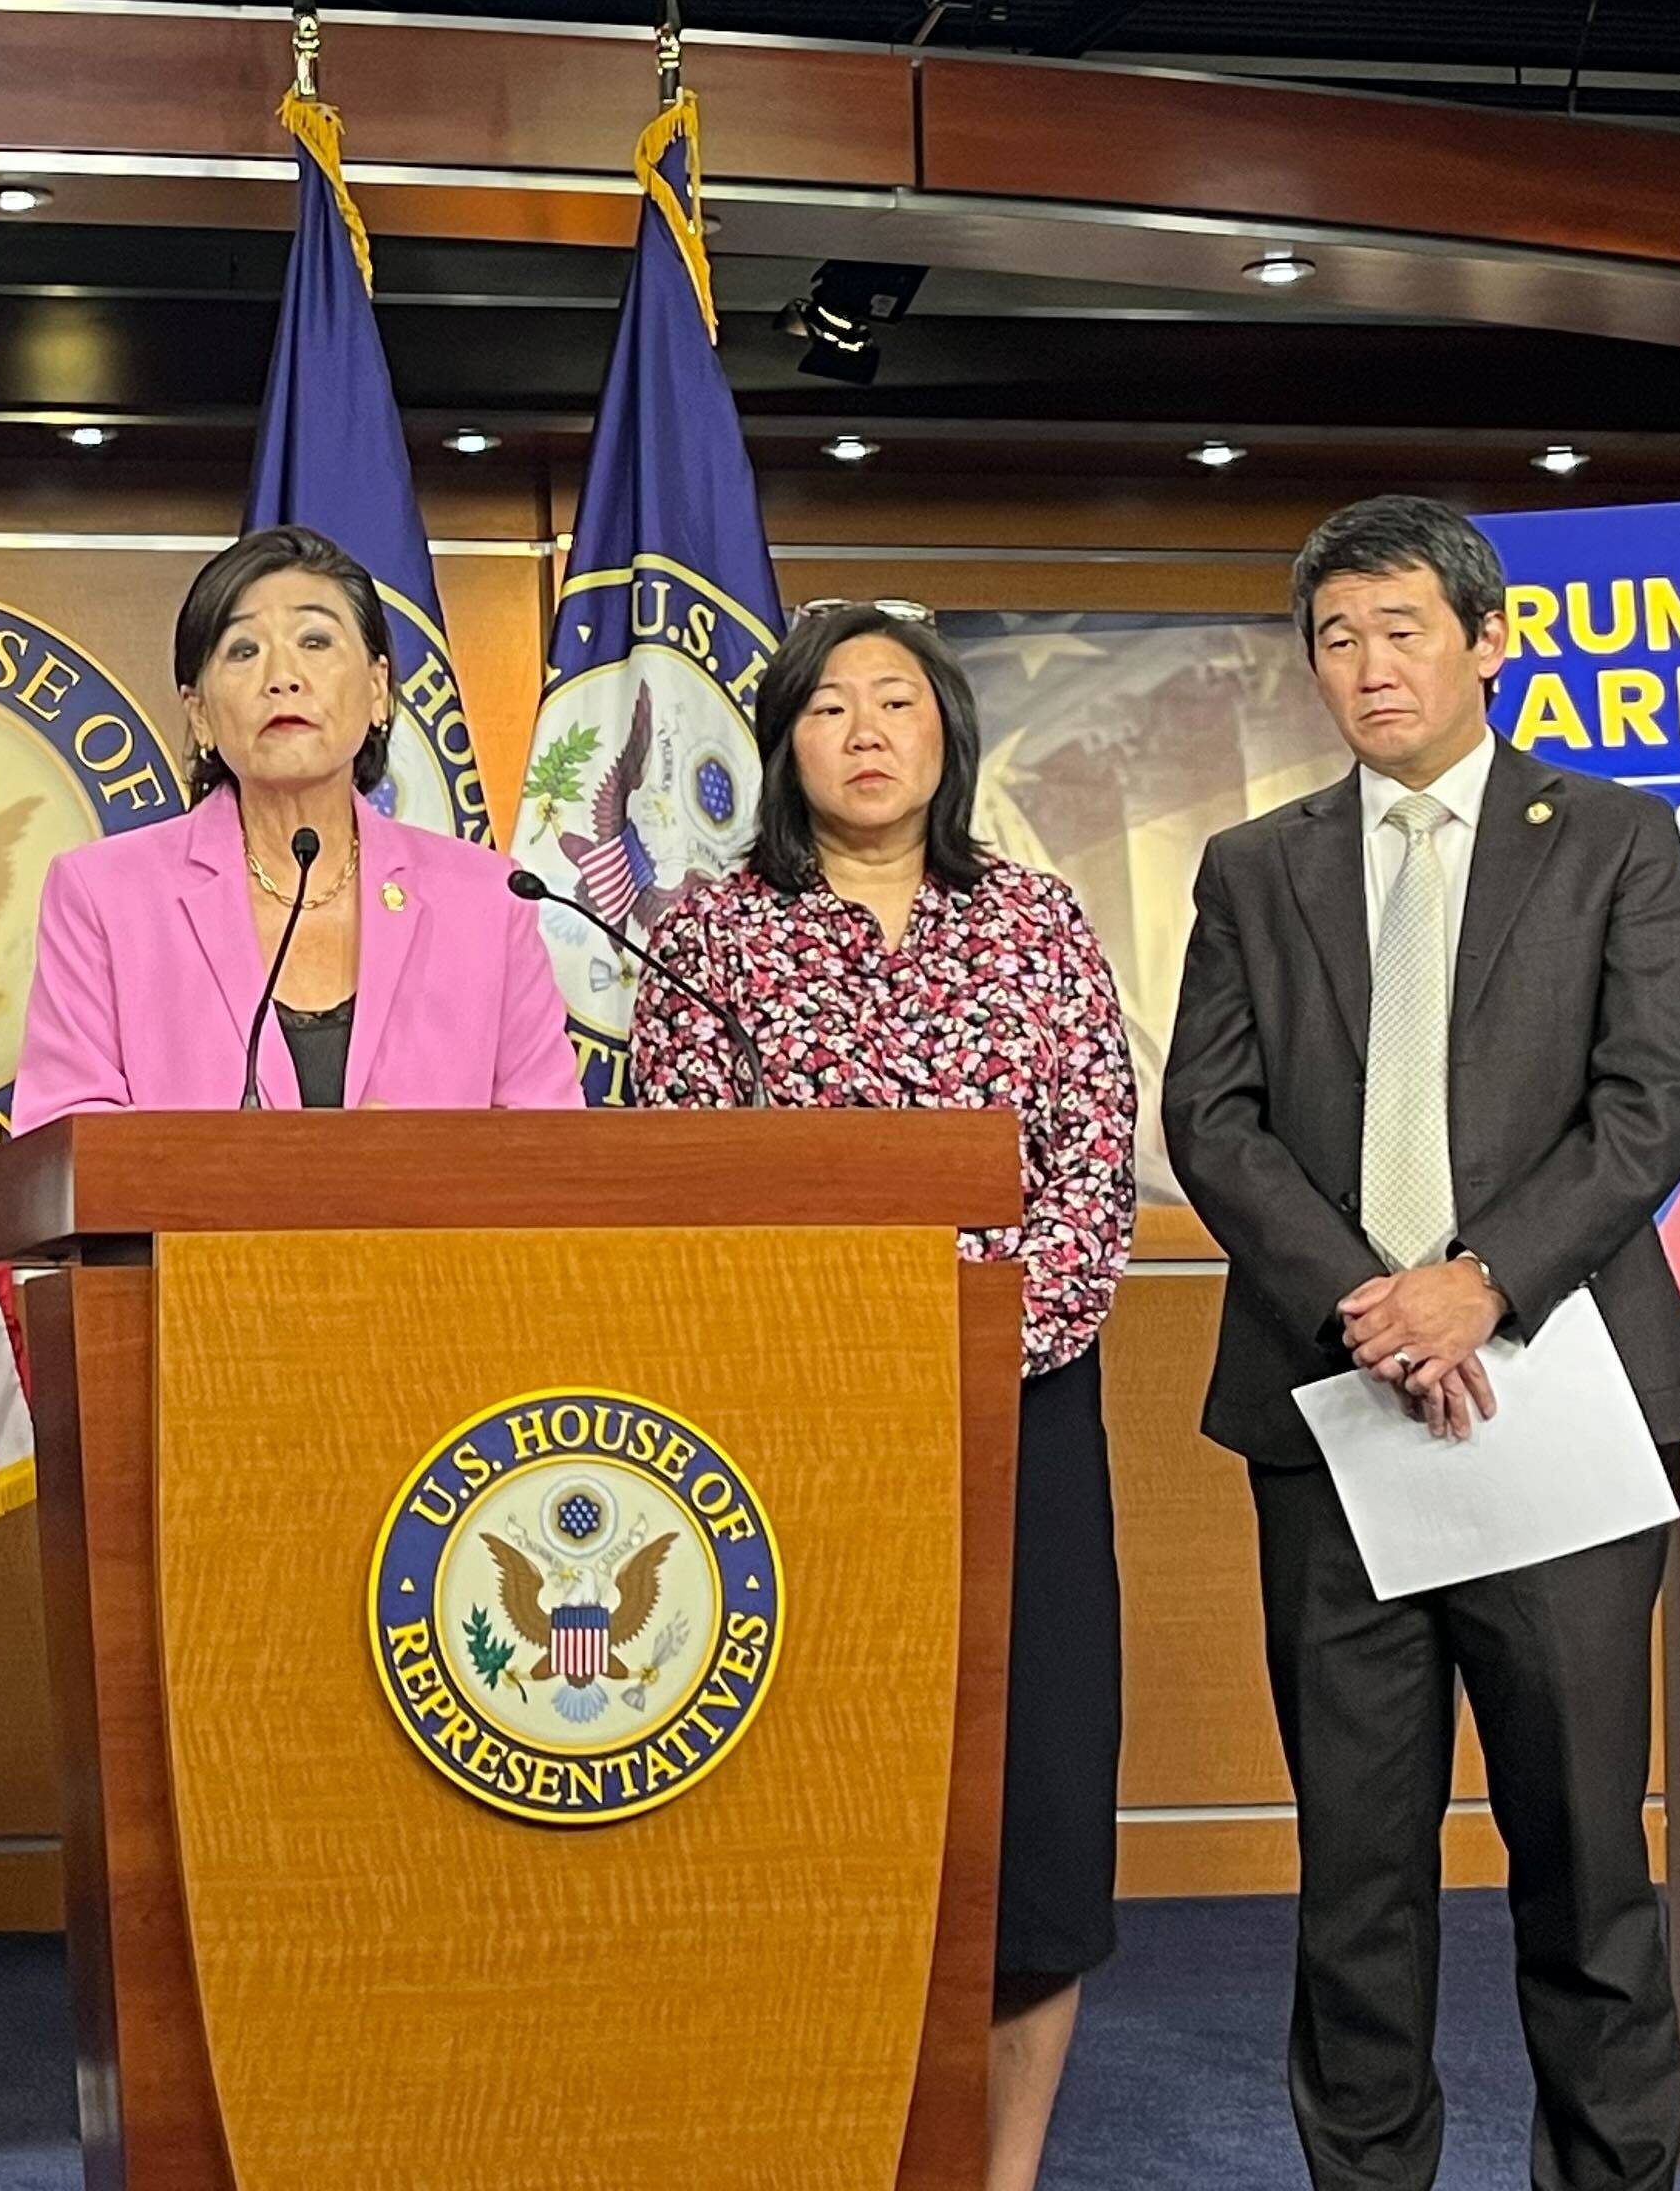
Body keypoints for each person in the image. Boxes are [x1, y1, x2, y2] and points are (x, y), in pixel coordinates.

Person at [1162, 495, 1680, 2191]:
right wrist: (1372, 1300)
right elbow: (1211, 1115)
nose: (1367, 664)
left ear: (1488, 641)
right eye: (1336, 636)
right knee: (1355, 1871)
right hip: (1331, 1421)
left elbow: (1649, 1099)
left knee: (1579, 1855)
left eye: (1402, 626)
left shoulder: (1612, 835)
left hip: (1555, 1407)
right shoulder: (1254, 864)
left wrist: (1477, 1279)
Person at [631, 599, 1135, 2191]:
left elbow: (1093, 1171)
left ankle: (1004, 2172)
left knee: (1033, 1817)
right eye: (830, 705)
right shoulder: (713, 934)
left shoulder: (1039, 926)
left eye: (897, 702)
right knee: (820, 1807)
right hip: (795, 1427)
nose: (864, 730)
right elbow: (678, 1176)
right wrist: (837, 1365)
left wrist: (984, 1346)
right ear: (784, 747)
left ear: (946, 741)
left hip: (1020, 1412)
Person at [13, 523, 579, 1118]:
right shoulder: (105, 895)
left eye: (315, 641)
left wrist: (418, 1174)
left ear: (377, 689)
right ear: (199, 714)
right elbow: (67, 1143)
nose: (282, 676)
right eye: (244, 650)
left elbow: (551, 1153)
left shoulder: (487, 899)